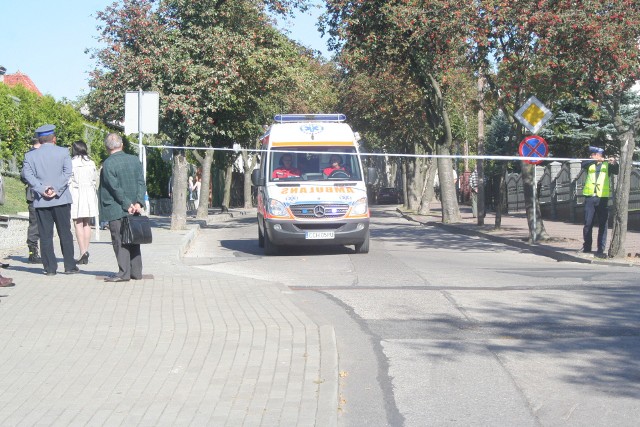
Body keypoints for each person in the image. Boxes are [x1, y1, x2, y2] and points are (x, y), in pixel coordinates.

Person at [22, 124, 78, 275]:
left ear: (39, 140)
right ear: (54, 138)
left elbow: (28, 176)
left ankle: (50, 268)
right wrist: (56, 189)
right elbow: (67, 173)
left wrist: (42, 189)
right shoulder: (63, 152)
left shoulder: (30, 156)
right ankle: (69, 266)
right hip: (61, 199)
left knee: (45, 235)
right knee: (65, 233)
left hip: (41, 201)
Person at [98, 133, 147, 282]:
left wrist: (127, 205)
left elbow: (115, 188)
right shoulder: (134, 160)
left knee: (119, 240)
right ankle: (136, 272)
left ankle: (123, 273)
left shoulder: (108, 164)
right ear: (122, 145)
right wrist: (138, 202)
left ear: (107, 147)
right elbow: (141, 182)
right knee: (133, 238)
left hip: (116, 208)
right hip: (134, 208)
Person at [582, 145, 619, 258]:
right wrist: (593, 160)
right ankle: (587, 247)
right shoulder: (589, 164)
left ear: (599, 155)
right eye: (592, 155)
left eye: (593, 155)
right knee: (588, 223)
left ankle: (600, 248)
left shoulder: (607, 165)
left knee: (603, 224)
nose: (591, 156)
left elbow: (616, 171)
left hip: (602, 198)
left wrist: (614, 162)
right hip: (589, 197)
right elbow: (583, 164)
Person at [70, 141, 99, 265]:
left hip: (76, 193)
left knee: (78, 222)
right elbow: (95, 179)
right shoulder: (91, 162)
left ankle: (82, 252)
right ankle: (86, 250)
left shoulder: (72, 163)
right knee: (87, 222)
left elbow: (68, 179)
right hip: (89, 194)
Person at [20, 137, 42, 263]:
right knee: (35, 224)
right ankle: (33, 253)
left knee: (38, 224)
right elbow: (23, 175)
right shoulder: (30, 156)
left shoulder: (30, 155)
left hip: (37, 194)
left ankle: (36, 252)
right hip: (34, 194)